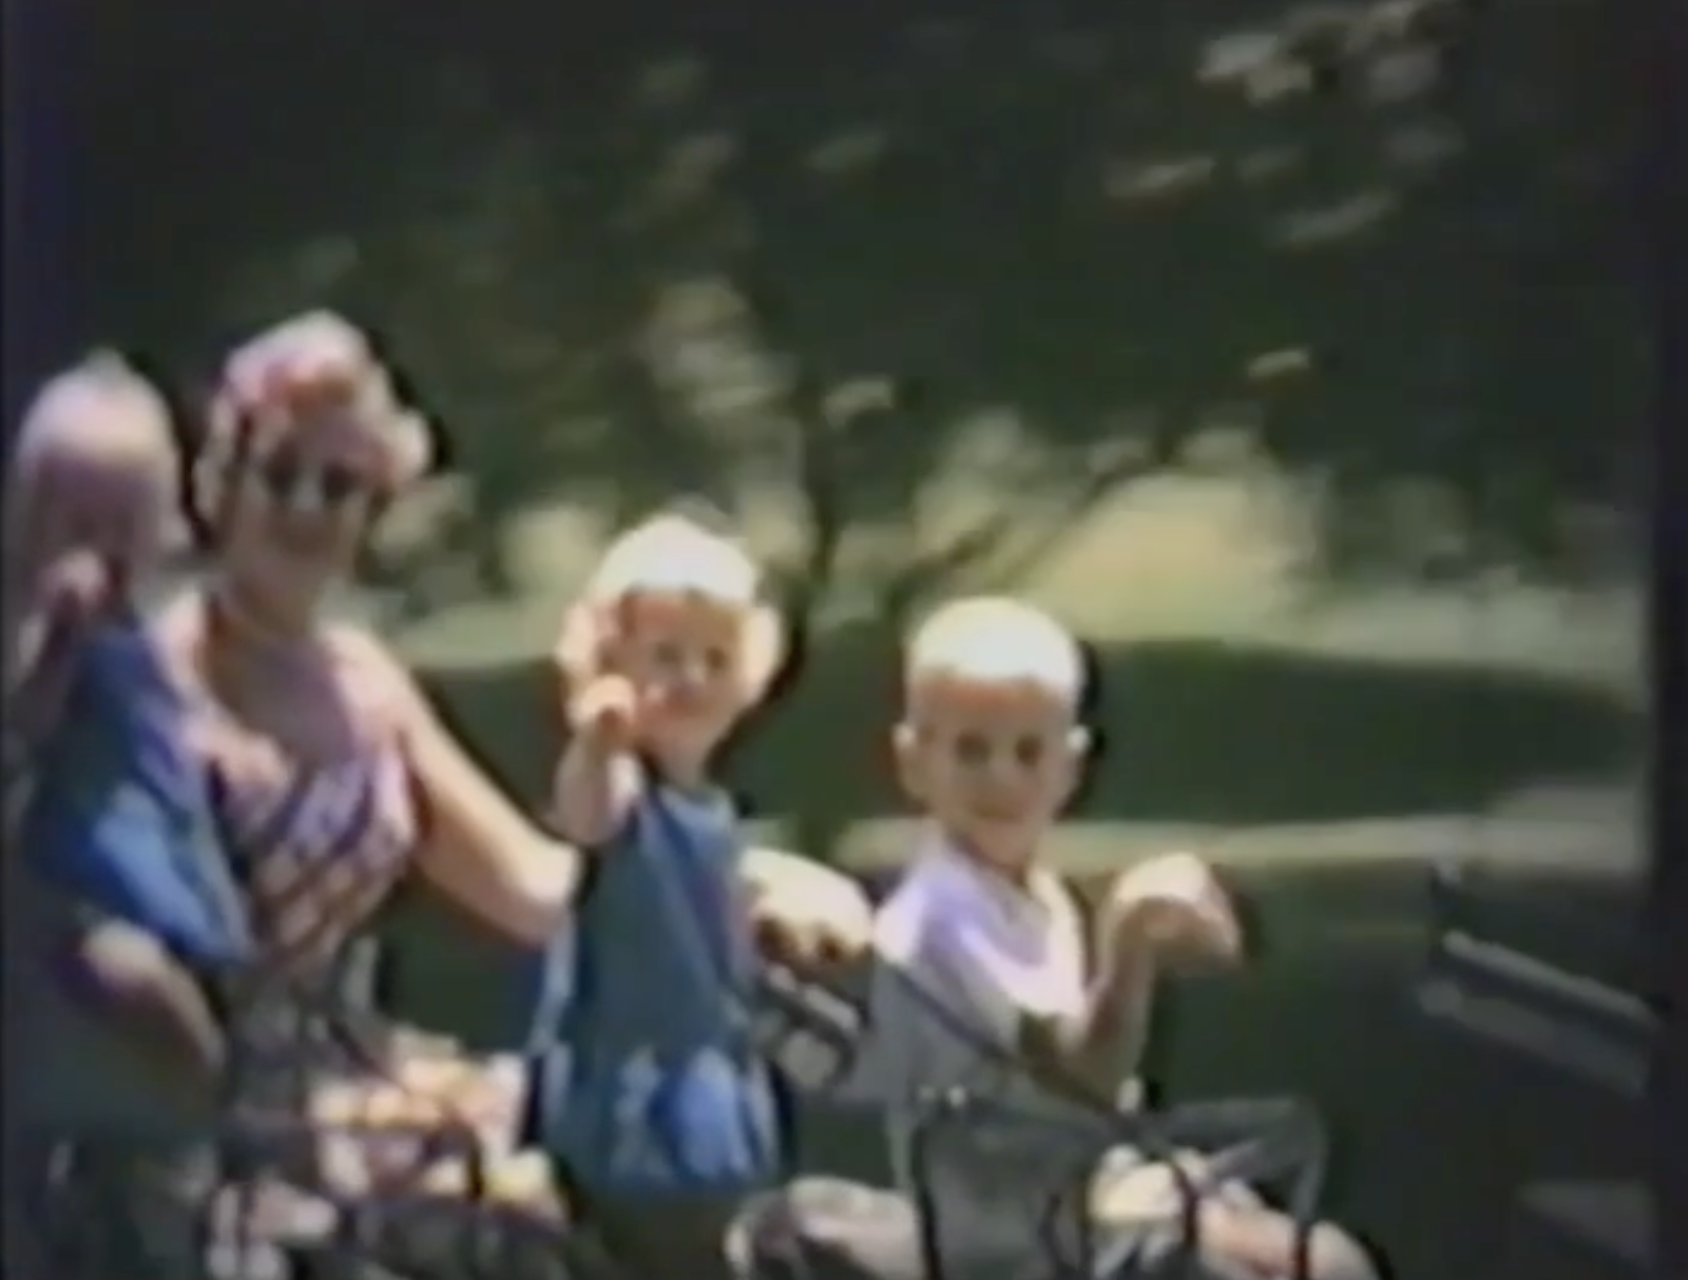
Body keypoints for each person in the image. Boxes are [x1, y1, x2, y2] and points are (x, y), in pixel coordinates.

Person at [731, 597, 1382, 1280]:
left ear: (1071, 766)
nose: (1002, 778)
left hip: (1087, 1192)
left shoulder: (1034, 898)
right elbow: (1083, 1084)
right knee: (1317, 1267)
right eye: (971, 751)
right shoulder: (943, 917)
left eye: (1028, 752)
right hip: (1013, 1233)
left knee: (1318, 1253)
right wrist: (1131, 937)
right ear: (914, 761)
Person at [536, 510, 875, 1279]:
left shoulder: (710, 810)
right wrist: (597, 737)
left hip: (714, 1085)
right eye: (665, 657)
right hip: (635, 1098)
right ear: (609, 661)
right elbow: (586, 813)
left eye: (714, 659)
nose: (690, 679)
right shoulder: (627, 791)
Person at [3, 354, 243, 1275]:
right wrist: (57, 640)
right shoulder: (36, 630)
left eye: (120, 526)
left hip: (162, 882)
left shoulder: (153, 636)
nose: (95, 554)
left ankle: (208, 1115)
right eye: (72, 524)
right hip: (78, 894)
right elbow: (23, 724)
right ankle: (209, 1084)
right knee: (128, 980)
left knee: (165, 1208)